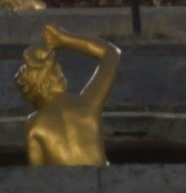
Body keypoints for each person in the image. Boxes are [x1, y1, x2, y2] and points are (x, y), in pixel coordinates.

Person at [16, 22, 123, 164]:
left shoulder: (35, 126)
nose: (60, 71)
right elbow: (112, 53)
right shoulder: (88, 103)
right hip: (103, 183)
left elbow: (39, 181)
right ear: (44, 85)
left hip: (66, 185)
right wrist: (65, 38)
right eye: (53, 71)